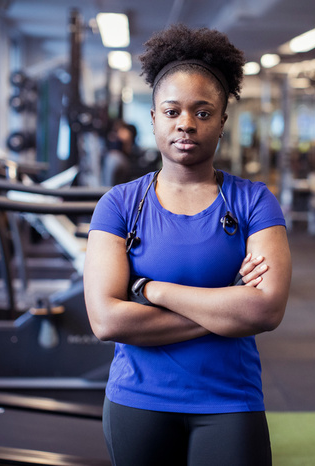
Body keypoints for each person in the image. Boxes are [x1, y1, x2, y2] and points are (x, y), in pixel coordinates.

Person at [83, 24, 291, 466]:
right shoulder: (119, 205)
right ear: (154, 118)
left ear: (221, 122)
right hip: (137, 399)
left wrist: (148, 291)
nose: (186, 124)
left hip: (230, 400)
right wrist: (226, 310)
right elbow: (105, 321)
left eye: (202, 112)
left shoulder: (253, 201)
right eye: (172, 110)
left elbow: (266, 310)